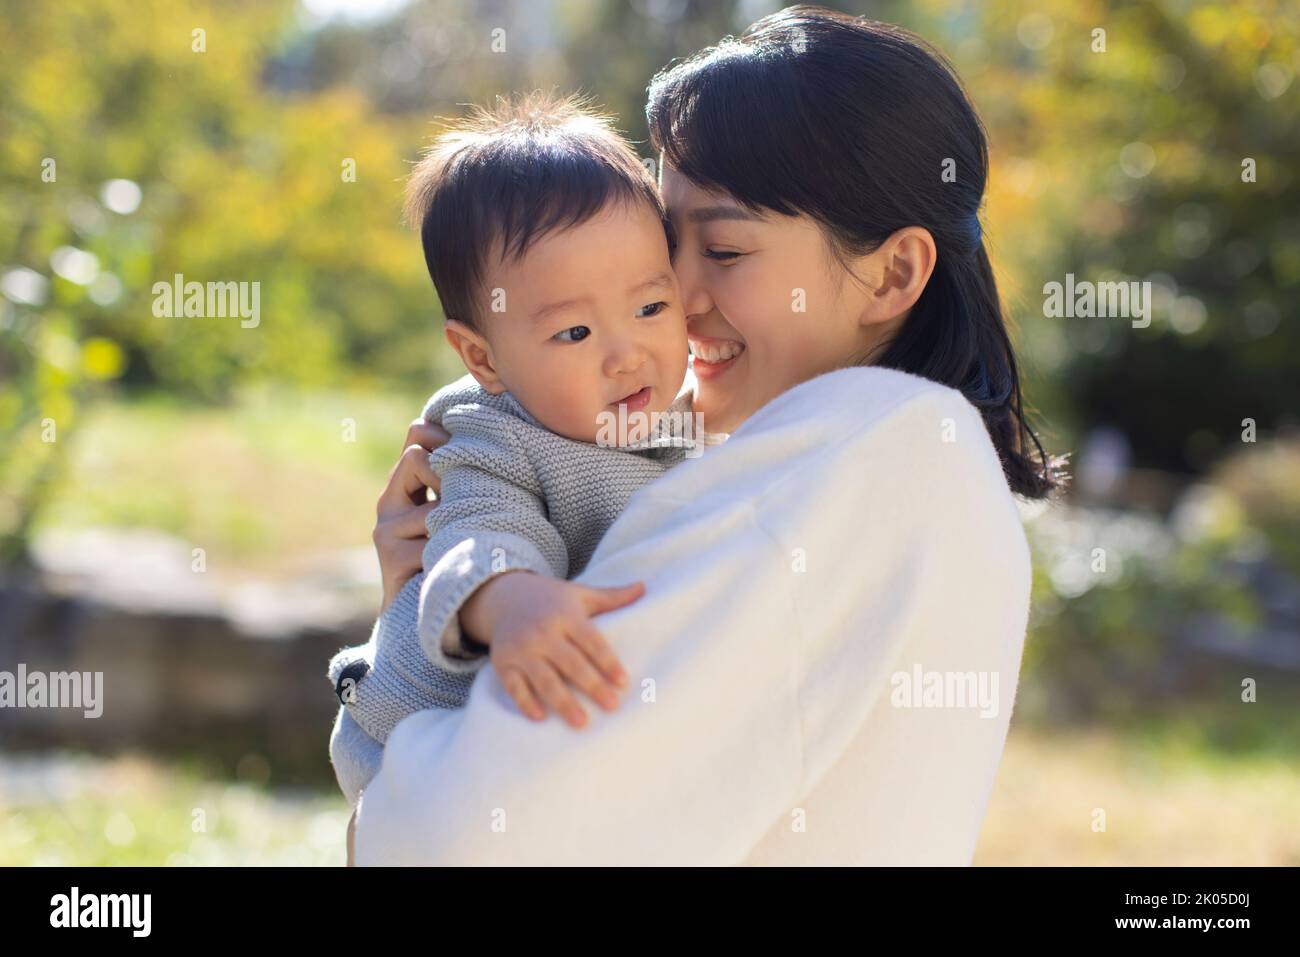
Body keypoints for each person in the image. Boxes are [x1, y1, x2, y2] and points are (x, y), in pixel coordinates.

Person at [349, 5, 1062, 865]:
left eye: (723, 251)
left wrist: (398, 737)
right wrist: (423, 594)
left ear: (895, 271)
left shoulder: (854, 462)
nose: (674, 299)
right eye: (667, 243)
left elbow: (443, 840)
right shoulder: (901, 460)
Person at [324, 93, 728, 809]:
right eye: (574, 333)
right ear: (484, 358)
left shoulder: (687, 409)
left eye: (650, 308)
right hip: (409, 736)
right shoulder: (492, 436)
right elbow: (479, 533)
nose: (625, 354)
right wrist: (510, 602)